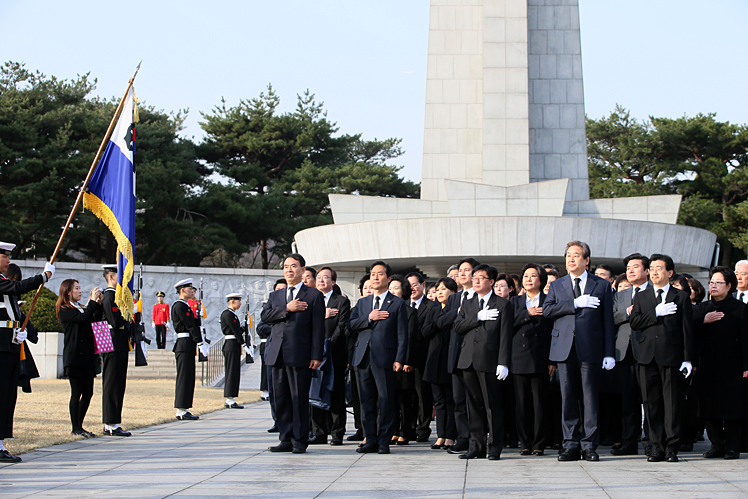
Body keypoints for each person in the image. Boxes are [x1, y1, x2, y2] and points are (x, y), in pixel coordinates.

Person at [543, 240, 616, 462]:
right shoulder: (558, 285)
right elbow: (547, 310)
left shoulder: (601, 285)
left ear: (586, 260)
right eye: (568, 255)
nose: (571, 259)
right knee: (568, 398)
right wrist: (575, 303)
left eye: (575, 255)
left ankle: (589, 445)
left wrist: (609, 353)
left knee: (590, 398)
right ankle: (570, 444)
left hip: (590, 348)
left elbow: (608, 321)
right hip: (564, 348)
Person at [630, 254, 694, 463]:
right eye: (652, 268)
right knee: (651, 404)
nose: (655, 272)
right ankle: (655, 447)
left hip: (672, 357)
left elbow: (687, 331)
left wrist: (687, 359)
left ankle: (672, 448)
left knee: (672, 404)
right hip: (647, 357)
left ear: (669, 272)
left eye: (659, 268)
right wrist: (656, 312)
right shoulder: (642, 296)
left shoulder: (681, 297)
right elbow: (635, 322)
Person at [261, 253, 325, 454]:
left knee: (298, 398)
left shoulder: (313, 295)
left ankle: (299, 440)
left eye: (293, 266)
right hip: (277, 354)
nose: (289, 270)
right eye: (286, 266)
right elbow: (265, 317)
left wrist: (316, 355)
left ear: (303, 270)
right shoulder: (276, 296)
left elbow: (318, 329)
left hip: (300, 354)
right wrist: (286, 308)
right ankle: (285, 438)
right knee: (280, 398)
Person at [0, 241, 54, 463]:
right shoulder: (3, 283)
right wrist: (43, 277)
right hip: (0, 346)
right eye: (4, 256)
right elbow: (17, 287)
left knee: (7, 396)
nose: (8, 260)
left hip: (10, 344)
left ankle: (1, 443)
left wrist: (19, 329)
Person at [347, 260, 408, 455]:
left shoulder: (397, 303)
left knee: (386, 400)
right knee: (366, 401)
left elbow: (402, 334)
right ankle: (370, 439)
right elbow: (351, 325)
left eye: (380, 274)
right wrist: (369, 318)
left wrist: (399, 358)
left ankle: (384, 441)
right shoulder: (363, 303)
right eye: (373, 274)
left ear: (388, 279)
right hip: (363, 358)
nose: (375, 277)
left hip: (385, 358)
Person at [453, 264, 513, 460]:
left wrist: (503, 362)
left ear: (492, 281)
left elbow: (506, 335)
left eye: (481, 277)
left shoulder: (503, 304)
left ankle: (494, 447)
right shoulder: (469, 303)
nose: (476, 280)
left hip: (490, 361)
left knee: (492, 406)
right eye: (474, 277)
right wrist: (477, 317)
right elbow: (458, 327)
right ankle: (476, 446)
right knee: (473, 406)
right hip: (468, 360)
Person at [695, 267, 748, 459]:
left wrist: (746, 366)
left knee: (733, 408)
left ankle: (732, 447)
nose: (713, 286)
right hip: (707, 365)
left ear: (729, 286)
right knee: (709, 408)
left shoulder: (740, 309)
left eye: (718, 282)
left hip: (732, 366)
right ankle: (716, 445)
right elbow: (691, 331)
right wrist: (704, 321)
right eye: (711, 282)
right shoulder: (703, 308)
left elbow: (746, 340)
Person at [510, 263, 554, 456]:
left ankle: (539, 443)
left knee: (540, 404)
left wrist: (552, 360)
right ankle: (524, 443)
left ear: (541, 280)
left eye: (533, 276)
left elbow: (554, 331)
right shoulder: (514, 302)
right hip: (518, 359)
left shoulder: (549, 300)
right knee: (521, 404)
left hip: (541, 358)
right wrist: (526, 314)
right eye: (525, 276)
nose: (528, 279)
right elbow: (507, 325)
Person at [437, 257, 480, 455]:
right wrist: (459, 312)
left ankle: (478, 438)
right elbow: (442, 322)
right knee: (458, 400)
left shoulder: (481, 296)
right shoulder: (455, 298)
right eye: (460, 270)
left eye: (467, 270)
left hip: (475, 355)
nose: (462, 274)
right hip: (455, 354)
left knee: (475, 400)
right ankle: (463, 437)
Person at [611, 253, 650, 456]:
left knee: (650, 400)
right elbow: (611, 317)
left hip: (648, 352)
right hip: (625, 353)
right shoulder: (621, 295)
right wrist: (627, 312)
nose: (631, 271)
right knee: (628, 402)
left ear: (647, 271)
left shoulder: (654, 291)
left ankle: (651, 442)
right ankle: (629, 442)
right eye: (628, 268)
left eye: (636, 267)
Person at [310, 266, 351, 446]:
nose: (321, 280)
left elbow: (342, 327)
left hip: (334, 355)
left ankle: (337, 433)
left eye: (326, 277)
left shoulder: (341, 301)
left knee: (335, 394)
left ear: (333, 282)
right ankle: (319, 432)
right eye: (319, 277)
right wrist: (321, 315)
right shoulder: (310, 300)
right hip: (314, 355)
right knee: (315, 393)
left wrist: (326, 347)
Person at [57, 279, 102, 438]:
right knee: (76, 392)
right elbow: (83, 319)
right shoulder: (64, 309)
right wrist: (92, 302)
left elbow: (93, 319)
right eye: (76, 288)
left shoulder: (82, 307)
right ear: (68, 292)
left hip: (88, 356)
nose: (79, 291)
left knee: (88, 392)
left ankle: (80, 425)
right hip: (74, 355)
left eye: (80, 287)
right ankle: (75, 427)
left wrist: (97, 303)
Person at [422, 277, 458, 450]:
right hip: (434, 361)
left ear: (453, 292)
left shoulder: (458, 310)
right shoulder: (433, 310)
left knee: (451, 400)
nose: (440, 292)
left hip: (450, 360)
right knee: (439, 401)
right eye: (438, 289)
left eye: (444, 289)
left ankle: (451, 436)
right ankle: (441, 435)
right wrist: (439, 322)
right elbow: (425, 331)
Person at [99, 264, 132, 437]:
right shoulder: (109, 297)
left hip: (118, 341)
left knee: (118, 383)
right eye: (119, 274)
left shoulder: (116, 296)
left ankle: (114, 421)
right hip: (111, 340)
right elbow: (116, 320)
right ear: (111, 277)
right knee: (112, 383)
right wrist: (128, 312)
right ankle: (110, 423)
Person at [388, 274, 418, 445]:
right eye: (390, 288)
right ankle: (393, 429)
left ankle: (405, 431)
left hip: (403, 361)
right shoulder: (387, 308)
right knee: (391, 398)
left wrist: (407, 361)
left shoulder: (410, 311)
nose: (392, 291)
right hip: (388, 359)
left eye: (396, 288)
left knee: (405, 399)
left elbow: (410, 337)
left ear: (404, 291)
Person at [405, 271, 435, 443]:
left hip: (423, 357)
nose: (412, 288)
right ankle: (408, 428)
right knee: (407, 396)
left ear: (423, 285)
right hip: (405, 358)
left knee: (423, 395)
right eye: (409, 286)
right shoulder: (402, 305)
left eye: (415, 285)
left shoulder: (431, 306)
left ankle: (423, 428)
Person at [172, 278, 207, 421]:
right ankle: (181, 409)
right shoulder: (179, 306)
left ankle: (184, 408)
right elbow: (189, 325)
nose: (192, 291)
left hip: (187, 344)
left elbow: (193, 324)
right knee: (184, 377)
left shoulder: (185, 306)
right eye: (189, 288)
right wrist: (200, 342)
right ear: (182, 290)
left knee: (188, 377)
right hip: (184, 344)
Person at [344, 276, 372, 443]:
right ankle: (360, 428)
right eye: (366, 288)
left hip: (375, 357)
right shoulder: (356, 309)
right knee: (357, 396)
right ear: (361, 291)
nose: (368, 290)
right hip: (356, 356)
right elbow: (348, 329)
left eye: (371, 287)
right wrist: (368, 318)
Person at [221, 293, 245, 409]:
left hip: (234, 344)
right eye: (238, 301)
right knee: (231, 371)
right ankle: (229, 398)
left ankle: (232, 397)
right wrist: (243, 343)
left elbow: (237, 330)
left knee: (234, 371)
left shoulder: (233, 315)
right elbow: (235, 331)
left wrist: (244, 327)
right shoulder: (227, 314)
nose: (240, 304)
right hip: (230, 344)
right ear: (232, 301)